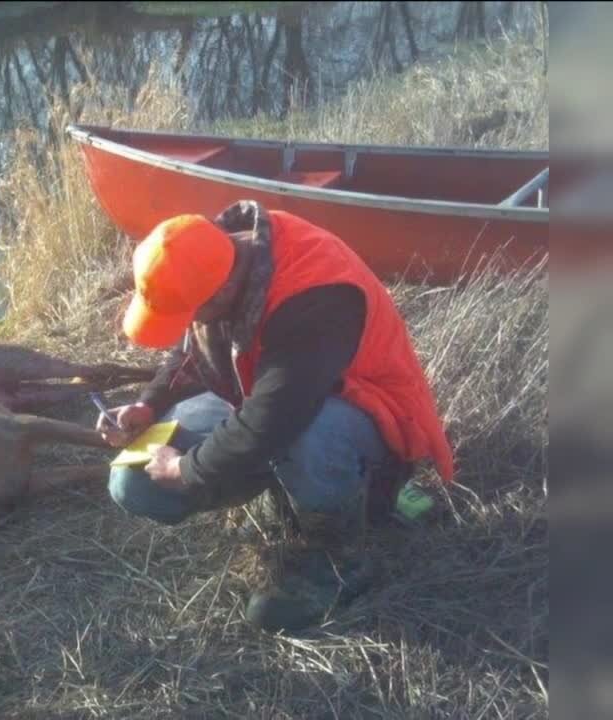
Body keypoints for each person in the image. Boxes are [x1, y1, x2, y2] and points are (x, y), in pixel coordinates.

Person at [100, 200, 454, 634]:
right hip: (270, 402)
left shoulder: (316, 292)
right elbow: (193, 345)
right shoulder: (215, 258)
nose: (188, 324)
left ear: (224, 290)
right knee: (134, 483)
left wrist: (186, 468)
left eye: (189, 314)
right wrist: (149, 404)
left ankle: (342, 556)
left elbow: (275, 419)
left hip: (369, 412)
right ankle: (299, 490)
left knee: (307, 435)